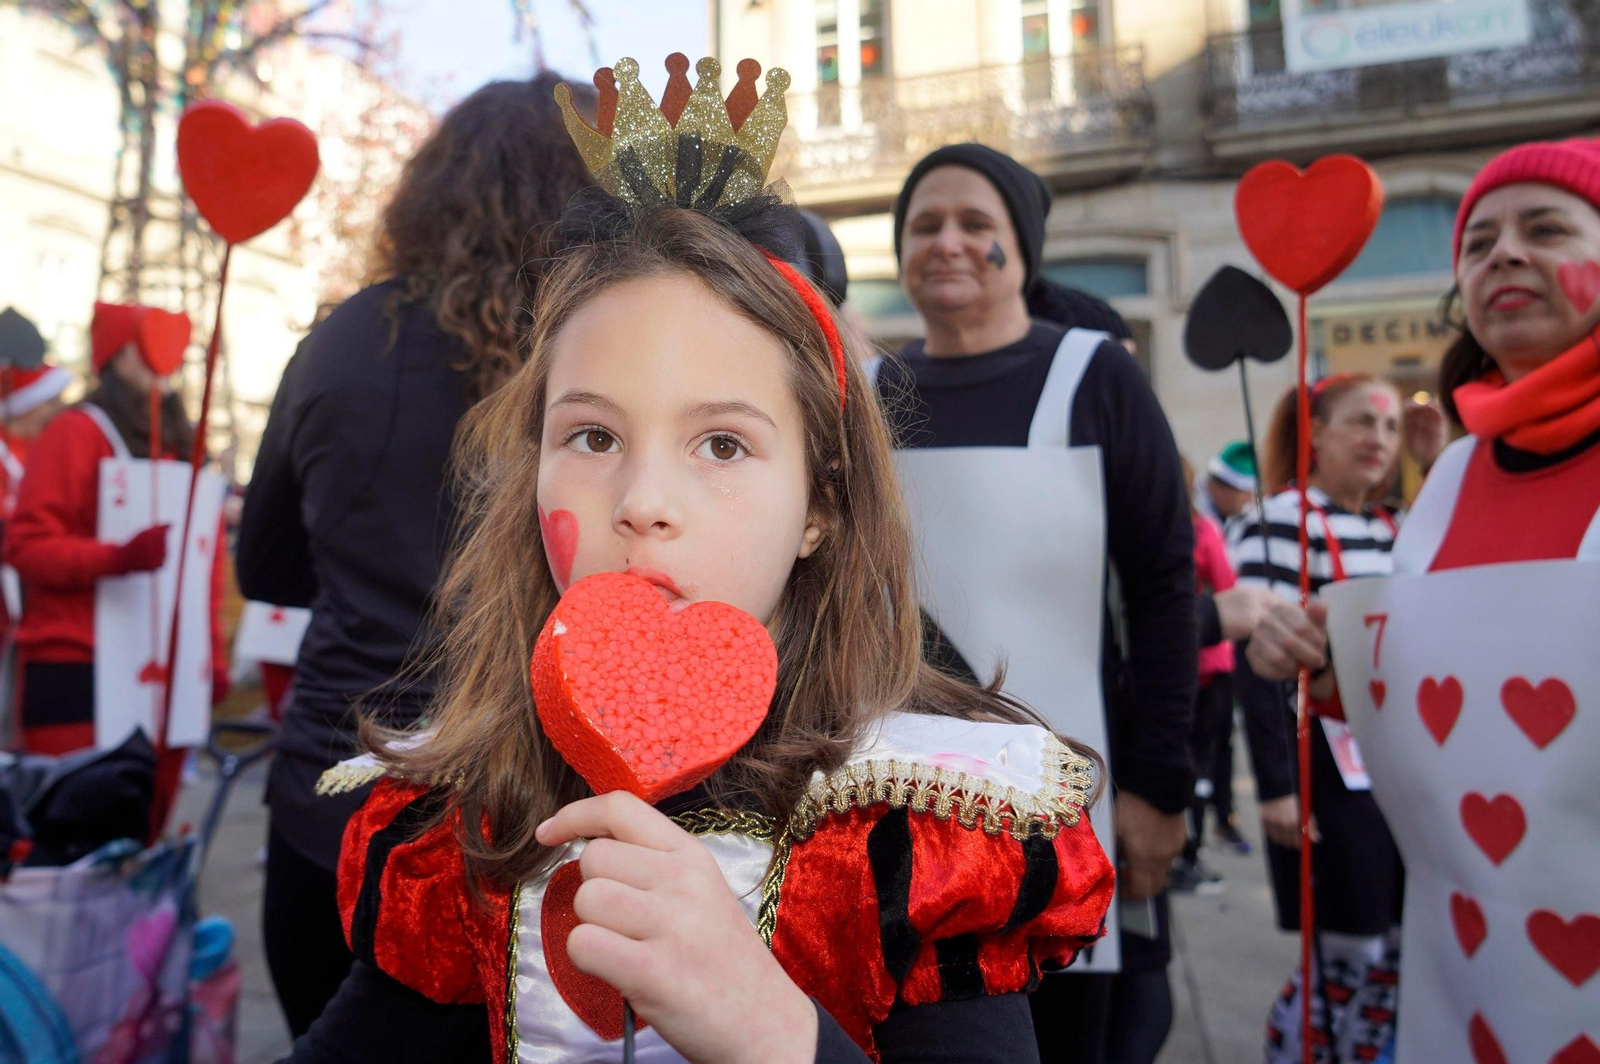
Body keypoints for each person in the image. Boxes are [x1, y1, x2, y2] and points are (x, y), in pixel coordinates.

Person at [287, 55, 1115, 1064]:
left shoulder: (908, 833)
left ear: (822, 503)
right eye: (591, 437)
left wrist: (768, 1026)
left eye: (722, 444)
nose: (641, 503)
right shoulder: (460, 825)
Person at [235, 74, 596, 1038]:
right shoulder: (591, 347)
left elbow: (263, 570)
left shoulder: (341, 339)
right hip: (517, 809)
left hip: (330, 797)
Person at [1245, 137, 1600, 1064]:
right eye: (1478, 243)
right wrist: (1328, 665)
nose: (1504, 254)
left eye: (1546, 228)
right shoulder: (1449, 479)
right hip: (1465, 964)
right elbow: (1428, 698)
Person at [872, 142, 1194, 1064]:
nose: (948, 242)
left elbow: (1166, 585)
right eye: (926, 225)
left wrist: (1158, 789)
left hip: (1081, 807)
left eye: (979, 224)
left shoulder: (1095, 376)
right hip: (912, 816)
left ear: (1024, 245)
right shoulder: (868, 394)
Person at [1230, 373, 1443, 1063]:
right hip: (1322, 766)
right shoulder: (1278, 517)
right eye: (1360, 422)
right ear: (1314, 434)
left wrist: (1438, 461)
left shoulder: (1397, 526)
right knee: (1348, 940)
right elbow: (1256, 665)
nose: (1377, 439)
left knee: (1403, 934)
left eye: (1388, 428)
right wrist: (1276, 787)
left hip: (1401, 764)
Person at [5, 302, 226, 792]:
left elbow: (202, 564)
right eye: (142, 342)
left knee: (146, 838)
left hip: (167, 672)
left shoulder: (183, 445)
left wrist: (211, 653)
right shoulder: (74, 432)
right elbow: (27, 547)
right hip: (78, 666)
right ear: (115, 355)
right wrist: (117, 558)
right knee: (70, 839)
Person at [1195, 439, 1257, 531]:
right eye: (1244, 491)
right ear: (1216, 488)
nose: (1249, 497)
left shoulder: (1245, 515)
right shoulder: (1194, 518)